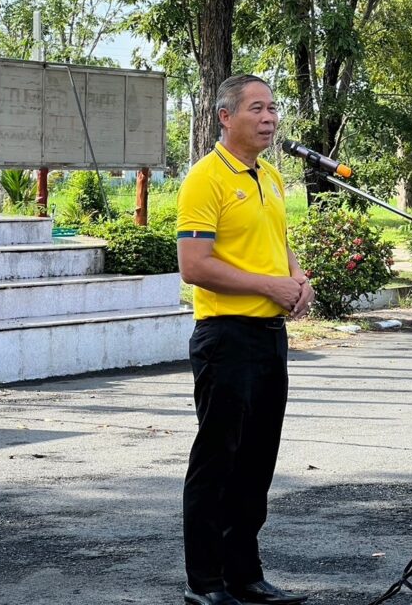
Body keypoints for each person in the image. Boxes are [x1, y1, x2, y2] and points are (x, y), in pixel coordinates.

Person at [176, 75, 314, 605]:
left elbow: (278, 245)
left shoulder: (271, 176)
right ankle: (206, 583)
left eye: (273, 108)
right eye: (256, 108)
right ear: (225, 116)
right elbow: (194, 266)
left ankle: (244, 575)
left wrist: (297, 280)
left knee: (257, 463)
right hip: (225, 337)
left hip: (269, 337)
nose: (269, 117)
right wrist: (267, 285)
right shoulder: (205, 178)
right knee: (218, 462)